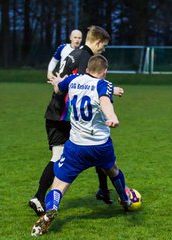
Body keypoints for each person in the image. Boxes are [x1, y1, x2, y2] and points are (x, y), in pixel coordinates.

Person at [31, 55, 132, 237]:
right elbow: (104, 101)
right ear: (105, 72)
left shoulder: (73, 79)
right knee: (114, 171)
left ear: (86, 69)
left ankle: (52, 208)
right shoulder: (104, 85)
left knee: (58, 185)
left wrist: (57, 82)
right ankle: (125, 199)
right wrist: (112, 116)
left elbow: (59, 88)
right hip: (100, 146)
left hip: (76, 146)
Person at [29, 26, 123, 216]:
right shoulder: (86, 58)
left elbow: (65, 82)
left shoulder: (75, 53)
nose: (102, 51)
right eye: (103, 47)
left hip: (55, 111)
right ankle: (39, 196)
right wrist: (110, 90)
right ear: (97, 43)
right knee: (72, 152)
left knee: (93, 147)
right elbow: (85, 85)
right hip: (64, 115)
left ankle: (103, 191)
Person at [28, 29, 83, 216]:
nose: (77, 40)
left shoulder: (77, 60)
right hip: (60, 117)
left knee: (63, 157)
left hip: (58, 116)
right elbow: (57, 73)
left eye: (79, 38)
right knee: (61, 157)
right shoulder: (69, 58)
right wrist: (52, 77)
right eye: (75, 37)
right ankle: (41, 197)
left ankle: (42, 197)